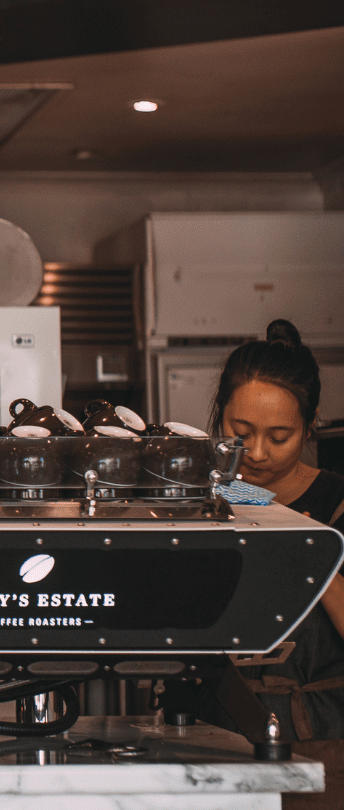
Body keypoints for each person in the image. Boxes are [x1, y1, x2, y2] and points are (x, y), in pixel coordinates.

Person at [212, 318, 342, 743]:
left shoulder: (338, 504)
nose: (258, 453)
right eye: (241, 433)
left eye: (280, 436)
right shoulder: (199, 499)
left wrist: (298, 535)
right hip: (209, 725)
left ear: (310, 425)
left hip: (320, 731)